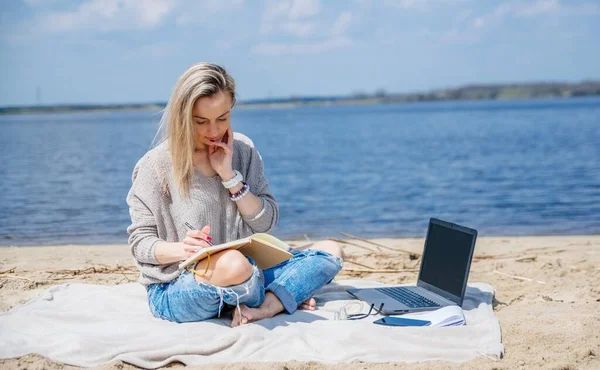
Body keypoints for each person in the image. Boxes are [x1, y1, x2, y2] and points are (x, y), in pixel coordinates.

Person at [126, 62, 344, 327]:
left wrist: (230, 177)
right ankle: (282, 294)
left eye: (222, 118)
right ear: (182, 116)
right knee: (235, 266)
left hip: (249, 271)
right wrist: (183, 249)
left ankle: (266, 306)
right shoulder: (154, 166)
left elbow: (266, 223)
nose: (214, 131)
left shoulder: (243, 150)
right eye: (201, 121)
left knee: (330, 251)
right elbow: (140, 245)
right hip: (179, 287)